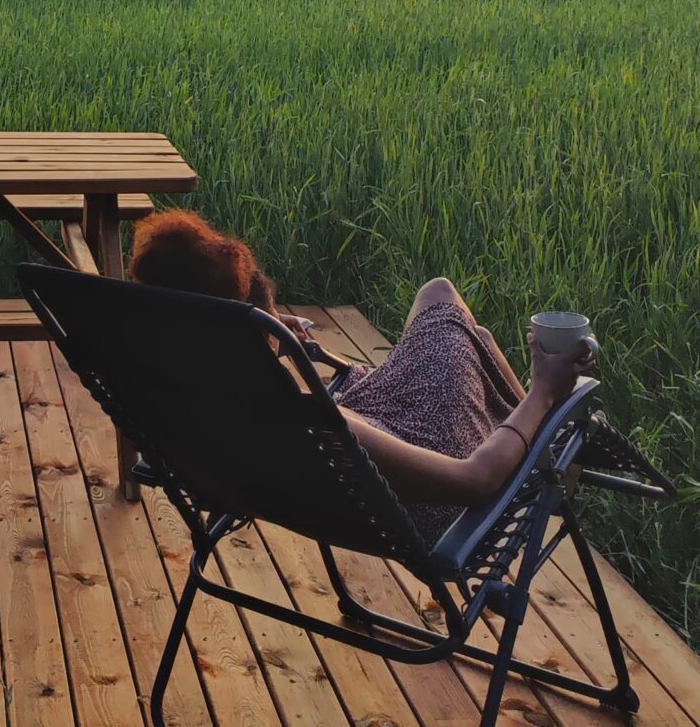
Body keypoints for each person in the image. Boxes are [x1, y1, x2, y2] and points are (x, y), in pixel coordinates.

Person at [127, 210, 592, 536]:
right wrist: (543, 392)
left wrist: (270, 338)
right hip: (436, 496)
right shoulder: (306, 420)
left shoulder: (174, 388)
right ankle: (545, 432)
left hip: (350, 467)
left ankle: (534, 421)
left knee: (471, 331)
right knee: (446, 302)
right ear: (255, 334)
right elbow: (475, 480)